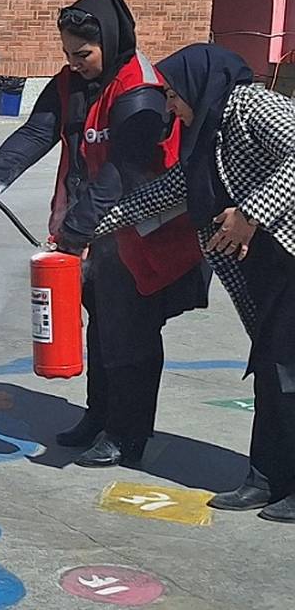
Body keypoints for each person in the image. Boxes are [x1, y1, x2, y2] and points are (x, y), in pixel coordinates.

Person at [0, 0, 209, 468]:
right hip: (96, 231)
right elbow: (37, 132)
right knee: (103, 325)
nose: (74, 62)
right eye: (67, 53)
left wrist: (76, 231)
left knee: (130, 332)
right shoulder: (71, 82)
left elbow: (122, 171)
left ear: (109, 41)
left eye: (83, 53)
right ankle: (99, 416)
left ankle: (127, 434)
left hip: (144, 233)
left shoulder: (142, 93)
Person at [95, 43, 295, 522]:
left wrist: (250, 213)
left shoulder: (252, 104)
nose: (168, 105)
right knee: (274, 373)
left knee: (290, 372)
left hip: (288, 257)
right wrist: (85, 230)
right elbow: (169, 191)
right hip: (267, 272)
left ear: (199, 83)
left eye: (171, 94)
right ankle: (266, 478)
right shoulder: (206, 131)